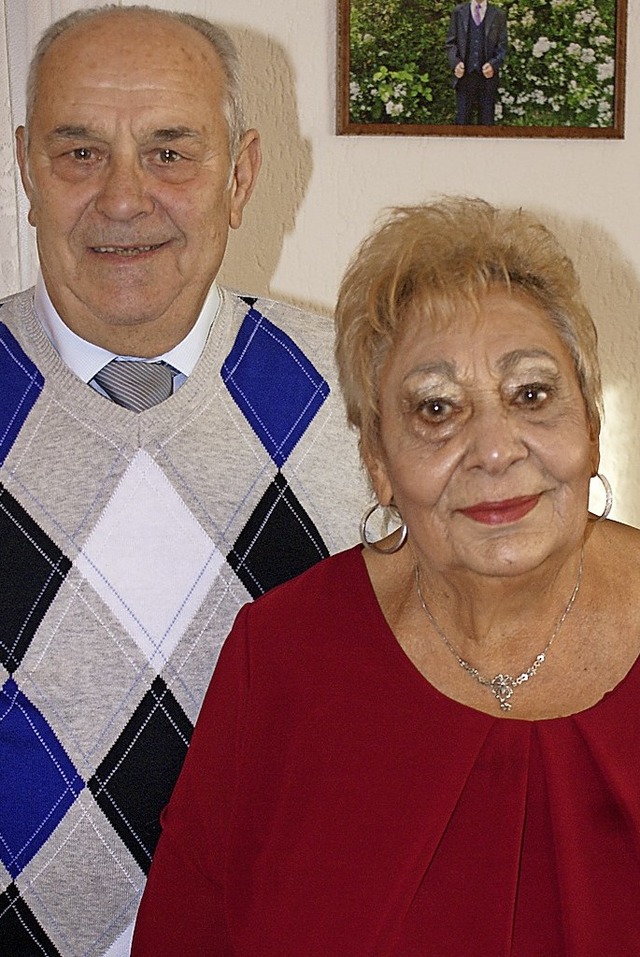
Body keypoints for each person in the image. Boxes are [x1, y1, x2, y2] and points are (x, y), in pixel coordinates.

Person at [132, 196, 640, 956]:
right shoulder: (280, 659)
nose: (494, 449)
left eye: (531, 394)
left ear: (590, 428)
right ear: (378, 463)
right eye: (437, 408)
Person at [0, 6, 366, 956]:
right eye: (79, 153)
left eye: (171, 153)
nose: (124, 199)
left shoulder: (368, 396)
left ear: (241, 175)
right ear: (24, 166)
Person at [446, 1, 508, 125]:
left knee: (486, 125)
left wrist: (493, 64)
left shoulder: (498, 14)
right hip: (464, 78)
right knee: (462, 123)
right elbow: (451, 43)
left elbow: (503, 47)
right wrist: (455, 62)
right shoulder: (458, 12)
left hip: (487, 79)